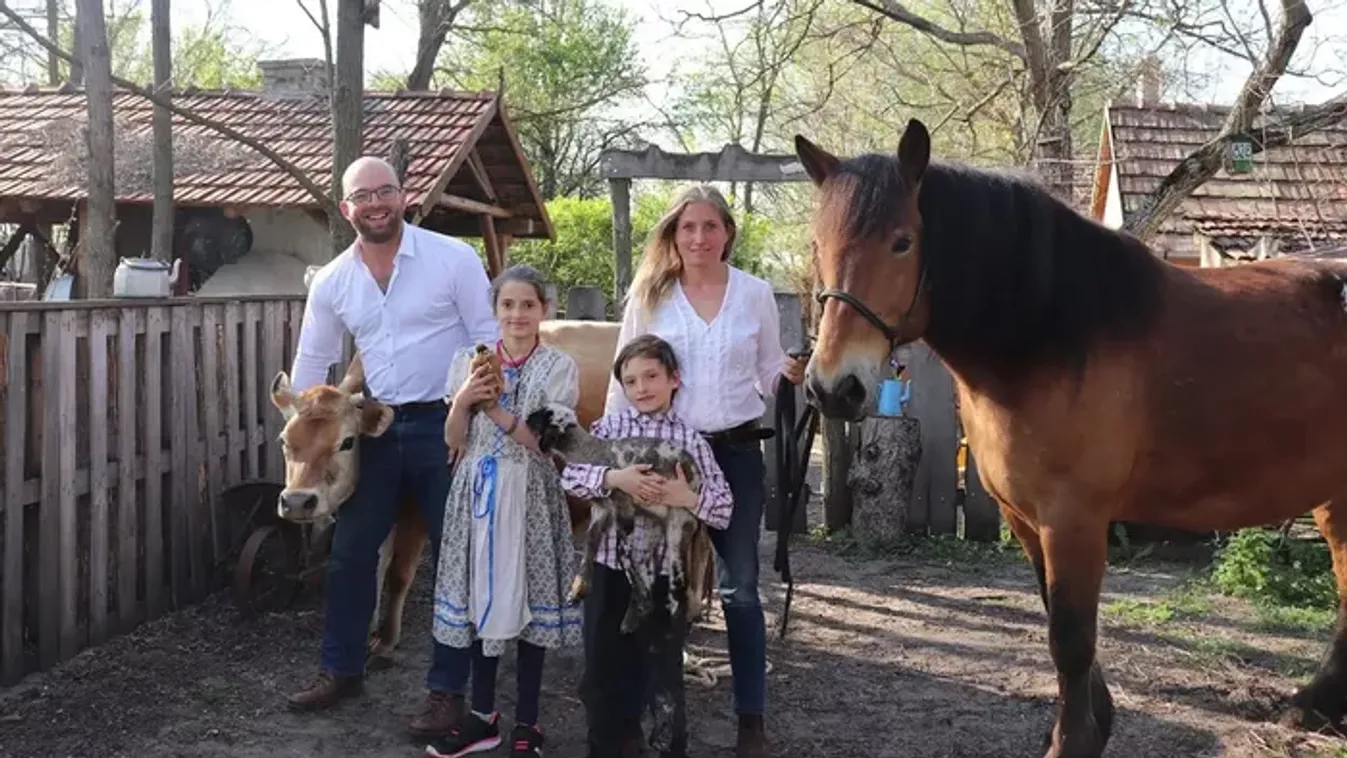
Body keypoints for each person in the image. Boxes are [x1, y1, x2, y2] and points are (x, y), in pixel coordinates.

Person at [284, 156, 499, 741]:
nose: (376, 204)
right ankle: (341, 670)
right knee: (352, 553)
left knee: (456, 560)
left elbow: (489, 339)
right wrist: (306, 427)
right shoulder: (333, 281)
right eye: (363, 196)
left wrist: (477, 415)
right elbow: (311, 363)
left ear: (405, 197)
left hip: (447, 427)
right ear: (346, 207)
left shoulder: (451, 259)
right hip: (375, 427)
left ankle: (446, 692)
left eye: (386, 192)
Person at [604, 185, 806, 758]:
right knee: (655, 588)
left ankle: (751, 724)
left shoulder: (756, 294)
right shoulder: (651, 295)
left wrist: (786, 373)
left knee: (742, 589)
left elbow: (766, 371)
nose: (699, 238)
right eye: (687, 227)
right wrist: (612, 460)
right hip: (664, 457)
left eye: (710, 227)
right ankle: (646, 721)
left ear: (727, 233)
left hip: (736, 456)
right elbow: (625, 380)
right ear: (673, 234)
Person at [427, 264, 584, 758]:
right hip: (476, 491)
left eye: (528, 305)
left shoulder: (558, 367)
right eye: (508, 305)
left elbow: (546, 445)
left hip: (530, 492)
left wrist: (494, 410)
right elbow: (454, 442)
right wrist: (462, 404)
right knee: (480, 602)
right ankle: (482, 716)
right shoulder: (466, 362)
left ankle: (529, 722)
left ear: (545, 311)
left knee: (533, 604)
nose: (517, 315)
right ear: (495, 310)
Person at [561, 334, 735, 758]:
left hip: (663, 576)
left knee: (662, 676)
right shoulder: (606, 430)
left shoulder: (692, 441)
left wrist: (686, 498)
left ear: (674, 379)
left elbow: (724, 508)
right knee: (601, 674)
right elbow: (569, 477)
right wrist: (613, 479)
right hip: (608, 569)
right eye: (631, 380)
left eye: (652, 376)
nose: (642, 388)